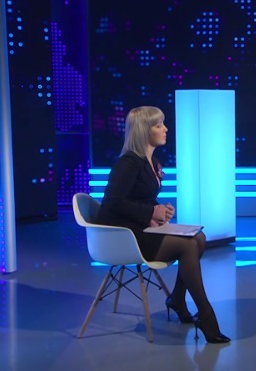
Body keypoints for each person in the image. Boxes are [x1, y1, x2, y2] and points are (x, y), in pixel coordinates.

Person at [95, 106, 230, 344]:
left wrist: (159, 211)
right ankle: (206, 315)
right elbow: (112, 204)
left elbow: (139, 197)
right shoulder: (128, 163)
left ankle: (177, 299)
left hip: (142, 229)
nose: (165, 129)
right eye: (159, 125)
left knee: (199, 238)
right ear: (144, 130)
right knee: (188, 246)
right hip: (125, 238)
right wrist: (150, 212)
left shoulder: (152, 161)